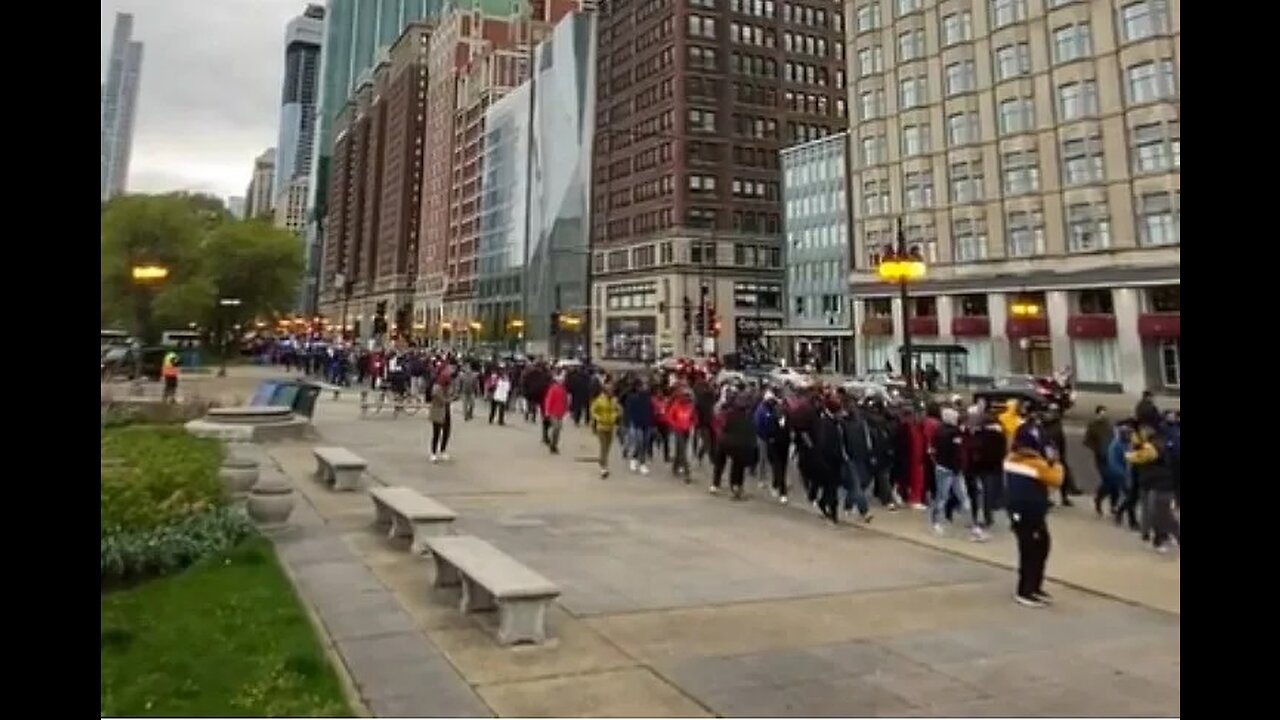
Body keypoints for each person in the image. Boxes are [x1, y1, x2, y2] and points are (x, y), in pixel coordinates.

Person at [1003, 406, 1064, 608]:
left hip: (1027, 511)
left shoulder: (1013, 460)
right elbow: (1057, 478)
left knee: (1038, 547)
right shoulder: (1034, 464)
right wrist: (1054, 461)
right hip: (1028, 512)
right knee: (1032, 549)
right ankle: (1026, 590)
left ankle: (1033, 586)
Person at [1127, 421, 1180, 553]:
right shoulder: (1154, 444)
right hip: (1156, 484)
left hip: (1161, 484)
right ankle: (1160, 539)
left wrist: (1130, 454)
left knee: (1161, 514)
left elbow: (1141, 456)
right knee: (1158, 513)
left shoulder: (1152, 447)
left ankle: (1162, 539)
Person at [930, 407, 980, 539]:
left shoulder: (938, 432)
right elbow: (958, 452)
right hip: (954, 469)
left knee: (942, 497)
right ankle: (973, 526)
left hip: (943, 468)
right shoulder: (955, 433)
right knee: (962, 497)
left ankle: (936, 523)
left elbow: (933, 450)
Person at [1083, 406, 1115, 515]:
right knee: (1108, 480)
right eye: (1101, 413)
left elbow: (1113, 438)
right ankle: (1099, 499)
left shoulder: (1109, 425)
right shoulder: (1093, 426)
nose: (1103, 415)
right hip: (1101, 458)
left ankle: (1113, 504)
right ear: (1097, 414)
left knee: (1114, 481)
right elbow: (1086, 441)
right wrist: (1097, 449)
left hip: (1111, 456)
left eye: (1105, 413)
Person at [590, 384, 621, 477]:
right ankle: (604, 467)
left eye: (612, 390)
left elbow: (619, 410)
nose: (611, 392)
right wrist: (598, 417)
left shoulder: (614, 400)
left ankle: (603, 462)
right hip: (601, 427)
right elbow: (593, 410)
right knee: (603, 447)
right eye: (609, 390)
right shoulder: (599, 400)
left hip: (611, 426)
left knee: (607, 448)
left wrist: (615, 415)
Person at [666, 387, 696, 481]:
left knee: (679, 450)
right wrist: (674, 425)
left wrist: (691, 424)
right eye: (685, 396)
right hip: (678, 430)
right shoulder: (676, 405)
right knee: (683, 451)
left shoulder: (691, 406)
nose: (686, 398)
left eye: (688, 397)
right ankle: (688, 473)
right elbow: (670, 417)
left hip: (686, 430)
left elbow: (694, 418)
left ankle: (675, 467)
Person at [428, 371, 455, 462]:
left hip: (446, 412)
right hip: (437, 412)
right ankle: (433, 453)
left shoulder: (447, 387)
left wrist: (451, 395)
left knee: (446, 432)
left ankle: (443, 450)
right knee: (436, 433)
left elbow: (449, 396)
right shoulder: (437, 388)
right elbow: (442, 400)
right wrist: (451, 398)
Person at [543, 373, 569, 454]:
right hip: (553, 412)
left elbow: (565, 401)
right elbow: (549, 400)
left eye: (562, 381)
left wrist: (566, 411)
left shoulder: (564, 390)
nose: (562, 382)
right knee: (556, 428)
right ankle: (552, 445)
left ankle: (554, 445)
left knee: (558, 430)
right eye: (560, 381)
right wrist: (547, 411)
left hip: (560, 413)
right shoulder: (553, 389)